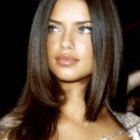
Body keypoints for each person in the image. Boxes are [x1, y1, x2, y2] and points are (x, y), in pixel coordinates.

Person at [0, 0, 140, 139]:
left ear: (107, 38)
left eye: (84, 29)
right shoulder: (13, 133)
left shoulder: (134, 128)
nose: (65, 42)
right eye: (53, 28)